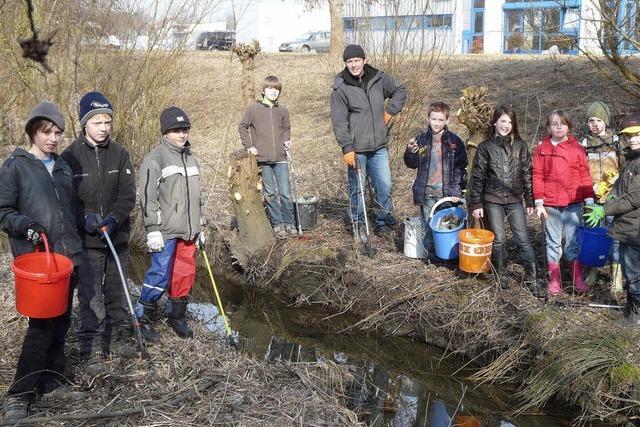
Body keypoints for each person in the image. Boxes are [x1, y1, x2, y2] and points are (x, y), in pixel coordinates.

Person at [0, 102, 83, 422]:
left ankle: (52, 380)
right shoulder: (15, 166)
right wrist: (26, 225)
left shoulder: (62, 167)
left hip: (66, 259)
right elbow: (4, 212)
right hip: (37, 263)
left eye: (58, 133)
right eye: (46, 132)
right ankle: (19, 395)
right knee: (40, 328)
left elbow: (69, 211)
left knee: (61, 323)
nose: (53, 139)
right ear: (33, 131)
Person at [61, 92, 136, 374]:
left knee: (116, 291)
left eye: (107, 121)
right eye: (97, 122)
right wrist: (85, 219)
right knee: (91, 297)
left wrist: (115, 219)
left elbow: (128, 195)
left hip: (117, 238)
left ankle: (114, 340)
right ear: (84, 125)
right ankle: (90, 349)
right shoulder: (69, 157)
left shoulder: (120, 153)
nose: (104, 127)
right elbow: (67, 201)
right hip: (88, 241)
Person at [136, 106, 204, 341]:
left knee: (184, 273)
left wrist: (199, 225)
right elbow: (147, 196)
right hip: (164, 230)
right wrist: (152, 229)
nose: (182, 134)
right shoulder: (155, 158)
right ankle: (143, 319)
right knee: (160, 273)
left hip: (189, 230)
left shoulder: (191, 157)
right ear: (165, 132)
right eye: (176, 130)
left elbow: (196, 196)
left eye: (185, 129)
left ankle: (176, 316)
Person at [331, 44, 407, 240]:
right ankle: (359, 225)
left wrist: (390, 111)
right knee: (357, 189)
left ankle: (384, 223)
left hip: (379, 147)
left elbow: (400, 90)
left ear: (364, 60)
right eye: (349, 62)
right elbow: (339, 121)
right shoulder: (340, 86)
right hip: (356, 150)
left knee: (384, 186)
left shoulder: (378, 78)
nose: (354, 65)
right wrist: (347, 147)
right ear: (345, 63)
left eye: (357, 60)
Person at [469, 105, 541, 297]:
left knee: (523, 239)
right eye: (503, 121)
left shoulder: (521, 145)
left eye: (510, 122)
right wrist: (476, 204)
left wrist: (530, 201)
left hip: (515, 199)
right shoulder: (485, 147)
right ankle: (501, 275)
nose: (506, 125)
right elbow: (478, 176)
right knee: (499, 239)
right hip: (493, 199)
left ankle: (532, 279)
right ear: (495, 122)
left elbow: (527, 174)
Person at [584, 113, 640, 324]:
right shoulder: (631, 159)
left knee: (634, 270)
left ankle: (636, 316)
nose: (633, 139)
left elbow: (635, 197)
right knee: (629, 268)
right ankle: (630, 309)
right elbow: (622, 189)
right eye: (629, 136)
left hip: (636, 227)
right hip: (626, 225)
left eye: (637, 135)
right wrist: (613, 192)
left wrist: (605, 209)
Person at [532, 110, 594, 296]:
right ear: (549, 127)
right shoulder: (542, 148)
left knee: (572, 243)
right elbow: (537, 175)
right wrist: (539, 202)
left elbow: (584, 174)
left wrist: (588, 198)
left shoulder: (576, 148)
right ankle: (554, 279)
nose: (559, 127)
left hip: (573, 204)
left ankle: (577, 277)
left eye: (563, 123)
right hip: (550, 205)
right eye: (554, 123)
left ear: (569, 126)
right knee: (552, 243)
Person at [403, 102, 467, 262]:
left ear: (447, 121)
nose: (437, 123)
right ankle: (433, 259)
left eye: (440, 119)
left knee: (447, 226)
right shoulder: (421, 140)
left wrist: (456, 191)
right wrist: (410, 151)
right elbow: (412, 164)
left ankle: (450, 258)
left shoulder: (454, 141)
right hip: (427, 193)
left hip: (447, 194)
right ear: (428, 118)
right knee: (430, 226)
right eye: (434, 119)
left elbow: (461, 168)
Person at [239, 75, 295, 240]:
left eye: (276, 89)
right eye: (270, 88)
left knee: (286, 193)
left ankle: (289, 223)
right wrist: (249, 146)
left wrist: (287, 140)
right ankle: (277, 224)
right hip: (262, 159)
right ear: (263, 90)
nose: (273, 92)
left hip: (281, 158)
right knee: (269, 193)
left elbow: (286, 128)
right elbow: (243, 127)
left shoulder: (283, 110)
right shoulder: (253, 109)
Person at [580, 101, 622, 295]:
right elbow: (579, 170)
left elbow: (626, 167)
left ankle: (616, 274)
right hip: (592, 197)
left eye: (598, 120)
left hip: (614, 198)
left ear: (605, 120)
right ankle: (593, 270)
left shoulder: (616, 141)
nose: (595, 124)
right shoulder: (585, 144)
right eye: (591, 121)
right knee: (593, 235)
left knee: (615, 235)